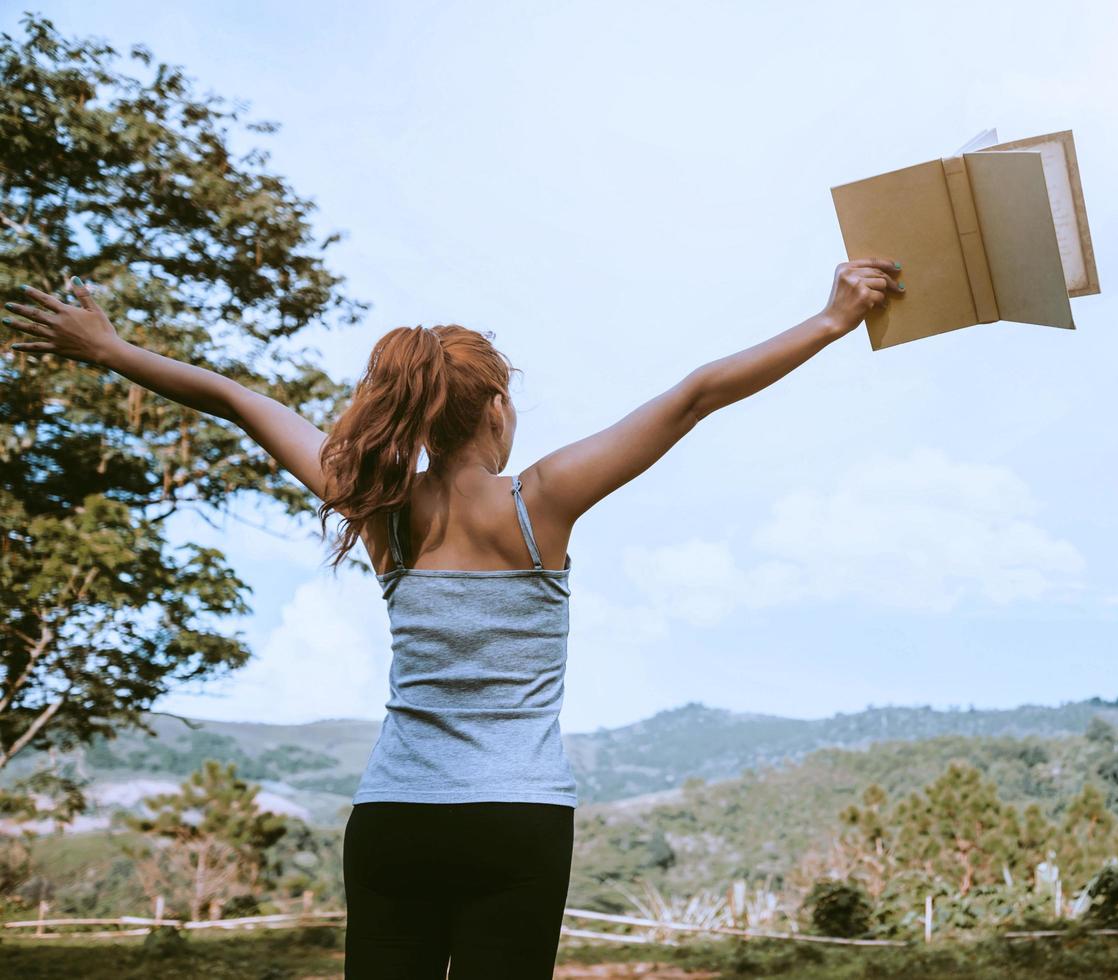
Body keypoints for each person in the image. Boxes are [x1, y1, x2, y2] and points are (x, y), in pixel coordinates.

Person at [2, 257, 902, 977]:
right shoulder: (540, 501)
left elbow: (240, 402)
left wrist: (113, 350)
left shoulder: (378, 507)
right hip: (519, 818)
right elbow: (696, 394)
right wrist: (829, 319)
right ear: (498, 410)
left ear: (424, 419)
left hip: (397, 817)